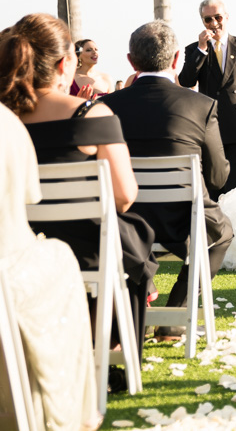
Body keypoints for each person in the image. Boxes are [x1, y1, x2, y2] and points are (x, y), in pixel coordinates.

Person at [0, 13, 157, 364]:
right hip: (87, 247)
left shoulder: (5, 119)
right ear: (64, 63)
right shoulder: (91, 114)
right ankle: (114, 350)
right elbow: (124, 195)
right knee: (133, 238)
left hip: (21, 242)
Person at [102, 21, 234, 340]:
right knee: (222, 233)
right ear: (177, 59)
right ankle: (175, 315)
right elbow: (217, 177)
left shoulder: (106, 107)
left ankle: (139, 298)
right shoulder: (201, 105)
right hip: (181, 223)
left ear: (131, 62)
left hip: (124, 223)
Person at [0, 103, 102, 430]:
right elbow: (31, 195)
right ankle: (70, 414)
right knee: (58, 258)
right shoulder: (8, 124)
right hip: (13, 261)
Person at [178, 0, 236, 200]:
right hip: (211, 128)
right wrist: (201, 50)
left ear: (226, 17)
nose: (214, 23)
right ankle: (216, 228)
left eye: (218, 17)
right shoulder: (194, 50)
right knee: (214, 186)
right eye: (208, 19)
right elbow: (186, 81)